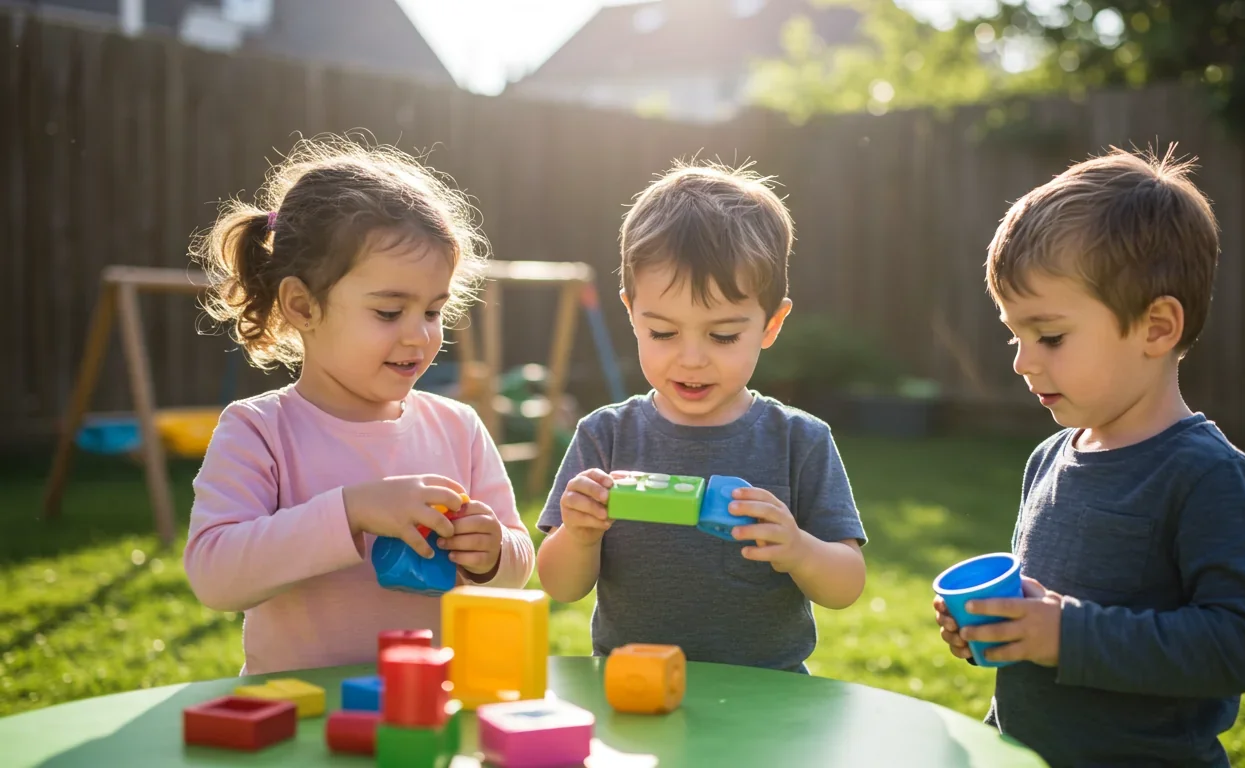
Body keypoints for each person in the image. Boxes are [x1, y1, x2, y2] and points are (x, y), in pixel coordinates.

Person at [934, 148, 1245, 766]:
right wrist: (997, 628)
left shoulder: (1206, 474)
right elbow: (1042, 620)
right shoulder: (1048, 458)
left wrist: (1067, 634)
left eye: (1049, 336)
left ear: (1156, 327)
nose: (1022, 360)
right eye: (1014, 335)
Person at [184, 137, 534, 675]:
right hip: (303, 719)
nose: (419, 336)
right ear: (302, 305)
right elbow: (214, 574)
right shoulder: (259, 431)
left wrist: (491, 554)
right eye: (390, 312)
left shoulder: (457, 427)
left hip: (427, 709)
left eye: (434, 311)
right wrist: (350, 512)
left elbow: (517, 561)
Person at [536, 162, 868, 673]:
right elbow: (560, 586)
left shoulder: (799, 440)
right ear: (631, 314)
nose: (691, 359)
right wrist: (579, 535)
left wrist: (798, 549)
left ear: (771, 323)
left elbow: (846, 585)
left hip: (765, 692)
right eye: (664, 333)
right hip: (632, 683)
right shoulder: (605, 435)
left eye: (723, 336)